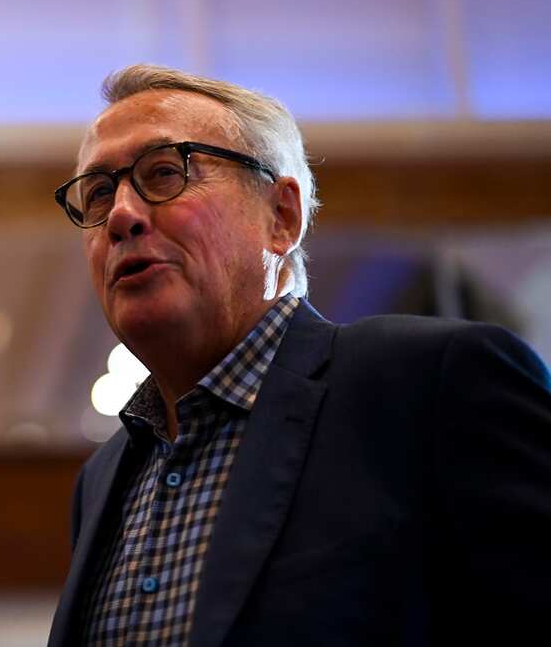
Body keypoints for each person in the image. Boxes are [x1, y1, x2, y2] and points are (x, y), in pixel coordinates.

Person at [46, 64, 551, 646]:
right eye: (98, 194)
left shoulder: (432, 386)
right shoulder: (103, 479)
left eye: (164, 172)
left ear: (281, 217)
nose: (121, 217)